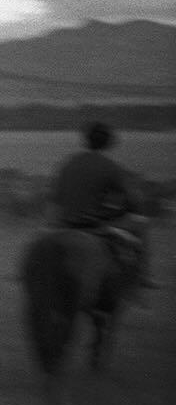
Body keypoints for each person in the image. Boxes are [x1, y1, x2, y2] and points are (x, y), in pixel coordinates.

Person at [51, 120, 159, 289]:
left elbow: (57, 198)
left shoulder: (68, 163)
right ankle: (143, 276)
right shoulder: (110, 166)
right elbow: (132, 200)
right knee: (141, 224)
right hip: (93, 226)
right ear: (108, 142)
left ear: (86, 140)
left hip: (64, 224)